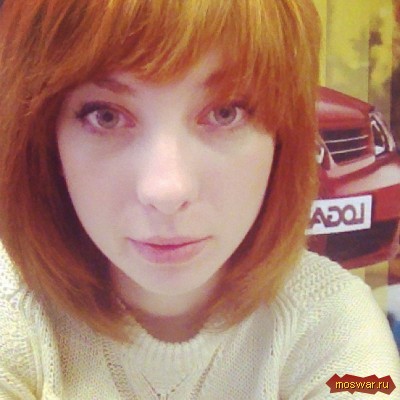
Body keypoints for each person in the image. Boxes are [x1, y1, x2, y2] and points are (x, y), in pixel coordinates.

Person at [0, 0, 398, 399]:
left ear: (282, 135)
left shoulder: (335, 323)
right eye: (105, 115)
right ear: (46, 138)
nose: (167, 191)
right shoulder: (12, 313)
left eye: (225, 112)